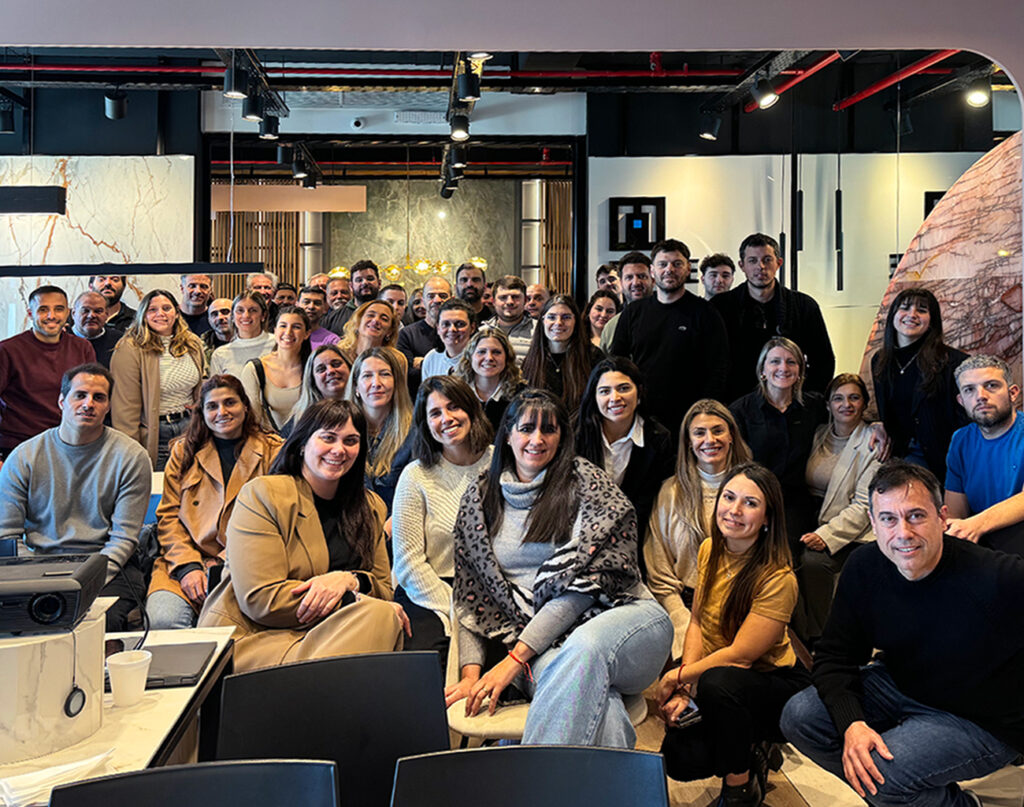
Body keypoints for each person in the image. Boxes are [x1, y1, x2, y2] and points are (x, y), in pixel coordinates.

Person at [781, 461, 1024, 807]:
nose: (903, 533)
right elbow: (836, 656)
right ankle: (908, 798)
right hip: (902, 686)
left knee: (884, 774)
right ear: (873, 524)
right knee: (800, 717)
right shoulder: (865, 567)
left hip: (982, 719)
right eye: (889, 519)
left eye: (916, 516)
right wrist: (853, 724)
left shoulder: (994, 576)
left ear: (942, 518)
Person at [445, 389, 672, 748]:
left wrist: (515, 658)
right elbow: (472, 597)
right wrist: (471, 672)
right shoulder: (480, 497)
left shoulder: (586, 484)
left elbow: (587, 588)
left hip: (625, 620)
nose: (537, 439)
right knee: (604, 712)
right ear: (507, 433)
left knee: (584, 647)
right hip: (543, 645)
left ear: (562, 437)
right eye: (526, 428)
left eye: (549, 430)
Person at [197, 399, 409, 672]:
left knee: (383, 617)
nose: (339, 449)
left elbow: (382, 590)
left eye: (351, 441)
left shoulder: (371, 507)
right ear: (302, 444)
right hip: (259, 638)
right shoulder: (263, 495)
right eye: (328, 438)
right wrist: (348, 599)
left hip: (340, 634)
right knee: (379, 619)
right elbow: (262, 599)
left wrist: (349, 581)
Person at [658, 463, 809, 807]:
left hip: (772, 683)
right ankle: (752, 746)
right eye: (729, 497)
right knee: (679, 758)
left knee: (718, 684)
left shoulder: (778, 577)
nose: (734, 510)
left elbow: (741, 656)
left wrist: (679, 674)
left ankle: (740, 789)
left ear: (768, 517)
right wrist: (685, 686)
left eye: (750, 503)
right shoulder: (711, 548)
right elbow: (696, 622)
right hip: (717, 677)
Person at [0, 363, 152, 630]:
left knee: (100, 625)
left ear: (108, 406)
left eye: (99, 397)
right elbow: (7, 535)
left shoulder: (131, 457)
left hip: (105, 566)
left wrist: (81, 582)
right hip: (37, 565)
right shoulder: (24, 457)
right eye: (80, 395)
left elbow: (123, 539)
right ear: (62, 401)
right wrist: (39, 579)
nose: (88, 404)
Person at [146, 375, 283, 629]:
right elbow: (168, 517)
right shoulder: (182, 452)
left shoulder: (273, 451)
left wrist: (219, 563)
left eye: (230, 403)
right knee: (163, 620)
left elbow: (274, 523)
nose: (222, 412)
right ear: (202, 412)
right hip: (181, 562)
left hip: (243, 565)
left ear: (245, 405)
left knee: (228, 628)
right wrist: (188, 567)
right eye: (212, 406)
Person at [391, 375, 494, 669]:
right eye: (435, 413)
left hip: (491, 590)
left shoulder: (501, 464)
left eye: (454, 408)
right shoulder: (415, 475)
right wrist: (454, 608)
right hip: (428, 589)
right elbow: (408, 562)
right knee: (425, 665)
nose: (446, 418)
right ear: (425, 424)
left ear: (471, 410)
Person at [646, 399, 753, 659]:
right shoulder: (670, 492)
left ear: (731, 436)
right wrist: (681, 619)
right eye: (699, 433)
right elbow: (658, 570)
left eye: (718, 430)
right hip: (683, 605)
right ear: (689, 443)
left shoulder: (754, 489)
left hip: (741, 603)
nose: (710, 439)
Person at [610, 238, 730, 437]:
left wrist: (704, 411)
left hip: (690, 417)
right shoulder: (634, 313)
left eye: (677, 264)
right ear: (652, 270)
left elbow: (719, 366)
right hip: (641, 415)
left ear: (687, 269)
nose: (669, 269)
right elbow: (618, 362)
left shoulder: (705, 312)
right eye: (663, 264)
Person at [796, 373, 881, 646]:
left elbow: (863, 505)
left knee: (813, 562)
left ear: (864, 403)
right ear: (829, 405)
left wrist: (827, 535)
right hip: (811, 515)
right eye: (838, 398)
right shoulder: (818, 434)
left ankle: (822, 638)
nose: (846, 404)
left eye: (854, 397)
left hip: (852, 528)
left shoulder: (874, 441)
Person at [712, 233, 835, 403]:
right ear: (742, 265)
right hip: (735, 403)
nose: (760, 267)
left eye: (767, 260)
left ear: (779, 263)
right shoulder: (721, 307)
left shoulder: (804, 306)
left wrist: (808, 399)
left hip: (791, 404)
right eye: (753, 261)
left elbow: (823, 360)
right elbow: (710, 362)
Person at [729, 337, 826, 548]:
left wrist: (877, 428)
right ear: (762, 370)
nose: (783, 367)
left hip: (795, 500)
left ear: (800, 370)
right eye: (775, 361)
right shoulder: (741, 411)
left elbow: (846, 421)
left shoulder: (815, 406)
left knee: (788, 551)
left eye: (791, 362)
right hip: (753, 495)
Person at [575, 357, 675, 556]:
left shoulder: (658, 439)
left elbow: (651, 503)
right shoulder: (575, 434)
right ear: (594, 397)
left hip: (635, 536)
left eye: (623, 388)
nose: (615, 398)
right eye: (605, 391)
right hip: (578, 533)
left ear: (638, 394)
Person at [870, 287, 968, 480]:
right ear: (893, 315)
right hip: (897, 453)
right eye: (904, 308)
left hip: (941, 459)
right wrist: (879, 424)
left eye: (922, 310)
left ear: (932, 321)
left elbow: (965, 421)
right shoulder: (880, 360)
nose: (912, 315)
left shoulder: (953, 362)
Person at [110, 289, 205, 470]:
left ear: (177, 313)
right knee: (159, 492)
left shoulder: (192, 343)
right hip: (156, 433)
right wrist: (130, 451)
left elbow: (200, 384)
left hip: (190, 428)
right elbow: (125, 409)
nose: (160, 314)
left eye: (166, 308)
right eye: (152, 309)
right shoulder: (129, 348)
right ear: (143, 314)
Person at [0, 285, 95, 457]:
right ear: (30, 313)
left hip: (71, 446)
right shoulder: (7, 350)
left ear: (67, 313)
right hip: (19, 449)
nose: (51, 316)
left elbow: (91, 396)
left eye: (58, 309)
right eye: (43, 309)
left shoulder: (82, 348)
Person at [944, 355, 1024, 554]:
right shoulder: (960, 440)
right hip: (981, 540)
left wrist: (976, 525)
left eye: (991, 385)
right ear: (961, 401)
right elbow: (956, 512)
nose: (980, 396)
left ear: (1013, 393)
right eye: (969, 390)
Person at [347, 346, 414, 513]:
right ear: (356, 387)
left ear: (396, 383)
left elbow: (417, 494)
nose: (376, 383)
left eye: (384, 374)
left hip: (399, 524)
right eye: (367, 376)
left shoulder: (415, 431)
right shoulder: (340, 430)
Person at [522, 294, 603, 414]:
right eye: (552, 317)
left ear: (575, 321)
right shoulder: (532, 358)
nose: (558, 323)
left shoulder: (593, 356)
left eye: (566, 317)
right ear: (543, 321)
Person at [239, 306, 310, 433]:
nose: (288, 332)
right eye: (283, 326)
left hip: (307, 441)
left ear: (307, 334)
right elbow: (253, 420)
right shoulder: (255, 369)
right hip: (269, 442)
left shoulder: (314, 368)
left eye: (296, 327)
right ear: (275, 330)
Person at [453, 326, 525, 431]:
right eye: (482, 352)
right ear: (470, 356)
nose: (489, 358)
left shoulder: (522, 396)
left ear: (507, 357)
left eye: (496, 352)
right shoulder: (455, 392)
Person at [286, 344, 353, 431]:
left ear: (350, 368)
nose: (330, 371)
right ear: (313, 381)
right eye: (321, 369)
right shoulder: (300, 419)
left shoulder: (369, 409)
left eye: (336, 364)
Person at [209, 291, 275, 377]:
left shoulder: (278, 345)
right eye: (240, 310)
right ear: (232, 316)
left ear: (263, 315)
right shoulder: (220, 354)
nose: (246, 315)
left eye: (253, 310)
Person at [600, 251, 653, 352]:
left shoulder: (667, 318)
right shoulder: (611, 327)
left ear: (653, 280)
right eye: (629, 277)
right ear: (621, 283)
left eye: (642, 276)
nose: (636, 282)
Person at [396, 275, 450, 372]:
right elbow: (407, 374)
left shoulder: (460, 332)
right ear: (424, 300)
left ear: (452, 299)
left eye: (443, 296)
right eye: (431, 296)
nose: (437, 300)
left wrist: (423, 363)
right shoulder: (407, 334)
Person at [483, 275, 535, 365]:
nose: (509, 302)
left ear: (525, 300)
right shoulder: (482, 331)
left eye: (515, 297)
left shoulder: (539, 330)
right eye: (503, 297)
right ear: (493, 301)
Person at [421, 298, 476, 380]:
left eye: (460, 324)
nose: (452, 329)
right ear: (438, 328)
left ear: (472, 328)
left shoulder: (480, 359)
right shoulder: (431, 359)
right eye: (446, 324)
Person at [323, 259, 381, 334]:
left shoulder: (390, 314)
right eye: (359, 280)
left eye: (370, 279)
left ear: (379, 283)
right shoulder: (333, 318)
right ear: (351, 286)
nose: (365, 283)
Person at [337, 299, 401, 366]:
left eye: (384, 319)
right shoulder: (340, 353)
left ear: (390, 331)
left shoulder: (396, 359)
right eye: (370, 315)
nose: (376, 320)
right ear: (358, 322)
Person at [70, 290, 122, 368]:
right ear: (73, 314)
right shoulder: (60, 339)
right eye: (85, 311)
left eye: (98, 311)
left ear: (107, 315)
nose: (91, 316)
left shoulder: (119, 341)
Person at [298, 285, 341, 351]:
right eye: (306, 302)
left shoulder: (332, 341)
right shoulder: (287, 335)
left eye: (317, 303)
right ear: (297, 305)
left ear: (325, 308)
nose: (311, 307)